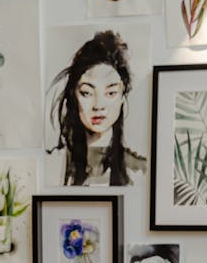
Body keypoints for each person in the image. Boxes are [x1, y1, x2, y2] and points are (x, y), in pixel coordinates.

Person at [47, 30, 147, 186]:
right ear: (74, 95)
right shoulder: (54, 165)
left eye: (111, 92)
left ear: (123, 96)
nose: (99, 105)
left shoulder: (140, 170)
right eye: (87, 93)